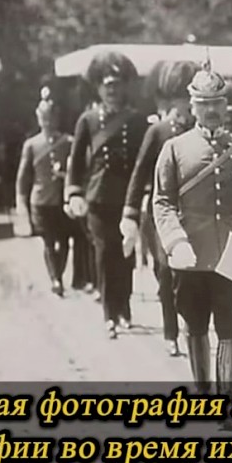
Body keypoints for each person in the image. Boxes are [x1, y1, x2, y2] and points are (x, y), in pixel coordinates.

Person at [152, 68, 232, 416]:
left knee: (230, 324)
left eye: (217, 102)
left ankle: (228, 404)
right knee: (195, 322)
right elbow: (162, 201)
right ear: (192, 106)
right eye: (204, 103)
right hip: (190, 252)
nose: (211, 110)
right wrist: (175, 241)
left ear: (225, 105)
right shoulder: (174, 149)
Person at [65, 51, 149, 340]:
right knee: (103, 253)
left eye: (116, 84)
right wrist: (74, 192)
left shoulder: (137, 121)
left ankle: (124, 307)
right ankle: (109, 313)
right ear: (98, 87)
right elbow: (76, 162)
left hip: (127, 198)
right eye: (106, 84)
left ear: (125, 86)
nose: (111, 89)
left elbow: (143, 162)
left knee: (126, 253)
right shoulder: (87, 120)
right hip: (98, 197)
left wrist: (144, 194)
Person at [120, 60, 199, 357]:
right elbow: (139, 173)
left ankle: (192, 326)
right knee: (166, 271)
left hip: (194, 215)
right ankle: (170, 333)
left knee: (189, 274)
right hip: (161, 215)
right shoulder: (158, 131)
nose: (185, 104)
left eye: (188, 97)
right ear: (170, 99)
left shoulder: (202, 131)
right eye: (179, 97)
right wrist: (129, 212)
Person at [15, 87, 73, 297]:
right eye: (44, 117)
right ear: (38, 119)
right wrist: (21, 201)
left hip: (61, 200)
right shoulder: (31, 145)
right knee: (48, 242)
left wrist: (65, 175)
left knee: (64, 242)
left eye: (51, 117)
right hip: (40, 201)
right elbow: (23, 177)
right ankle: (56, 279)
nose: (47, 121)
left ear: (57, 118)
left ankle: (59, 273)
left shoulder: (68, 142)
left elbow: (76, 170)